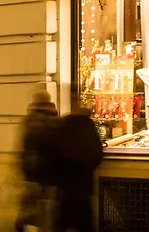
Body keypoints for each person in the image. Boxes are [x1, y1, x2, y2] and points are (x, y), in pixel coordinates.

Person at [43, 96, 104, 232]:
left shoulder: (63, 125)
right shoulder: (88, 127)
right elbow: (97, 154)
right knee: (85, 224)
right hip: (83, 185)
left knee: (61, 223)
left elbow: (52, 153)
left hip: (65, 187)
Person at [17, 90, 61, 231]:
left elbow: (24, 147)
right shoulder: (54, 121)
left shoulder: (28, 120)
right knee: (47, 208)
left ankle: (22, 226)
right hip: (49, 172)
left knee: (30, 206)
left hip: (31, 173)